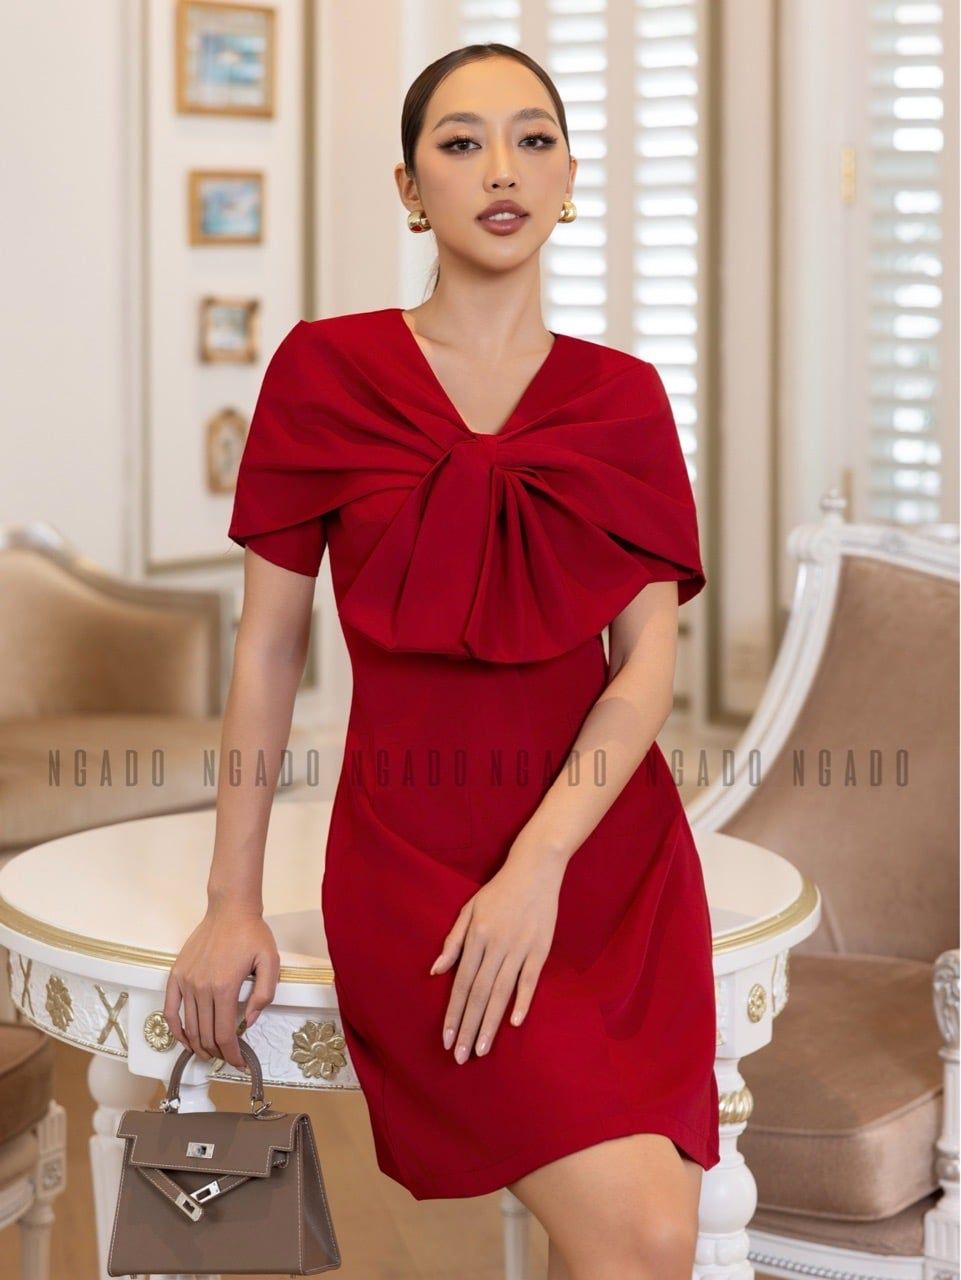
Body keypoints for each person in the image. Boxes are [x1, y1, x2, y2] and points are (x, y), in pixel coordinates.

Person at [164, 42, 719, 1280]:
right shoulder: (325, 370)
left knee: (643, 1231)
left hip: (601, 858)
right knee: (638, 1232)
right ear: (412, 190)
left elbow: (644, 669)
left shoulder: (624, 401)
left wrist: (539, 864)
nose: (501, 169)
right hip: (412, 857)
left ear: (568, 175)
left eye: (533, 139)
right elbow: (267, 648)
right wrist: (230, 898)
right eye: (461, 144)